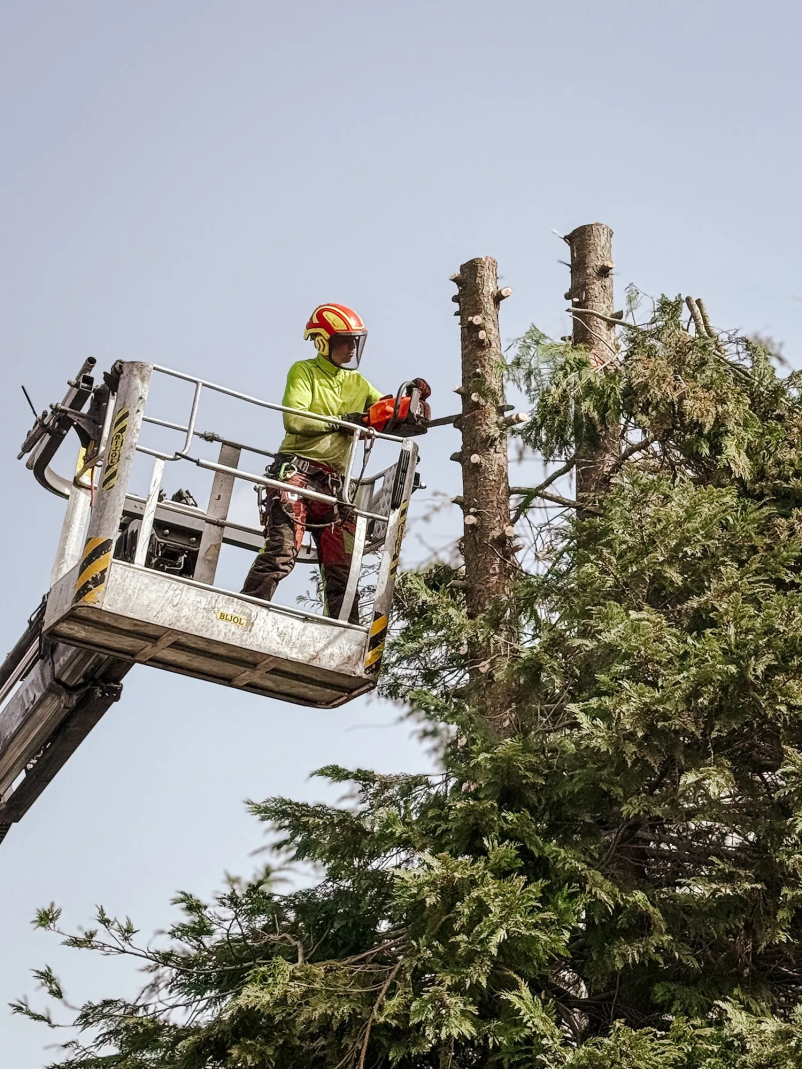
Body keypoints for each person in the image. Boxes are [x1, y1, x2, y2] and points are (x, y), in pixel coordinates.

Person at [241, 303, 383, 623]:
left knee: (342, 570)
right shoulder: (303, 371)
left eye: (354, 342)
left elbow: (383, 410)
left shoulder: (357, 383)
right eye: (344, 341)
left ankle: (344, 632)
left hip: (334, 490)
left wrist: (408, 404)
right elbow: (295, 420)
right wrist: (341, 422)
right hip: (297, 475)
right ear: (323, 341)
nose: (351, 348)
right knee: (281, 553)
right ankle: (244, 613)